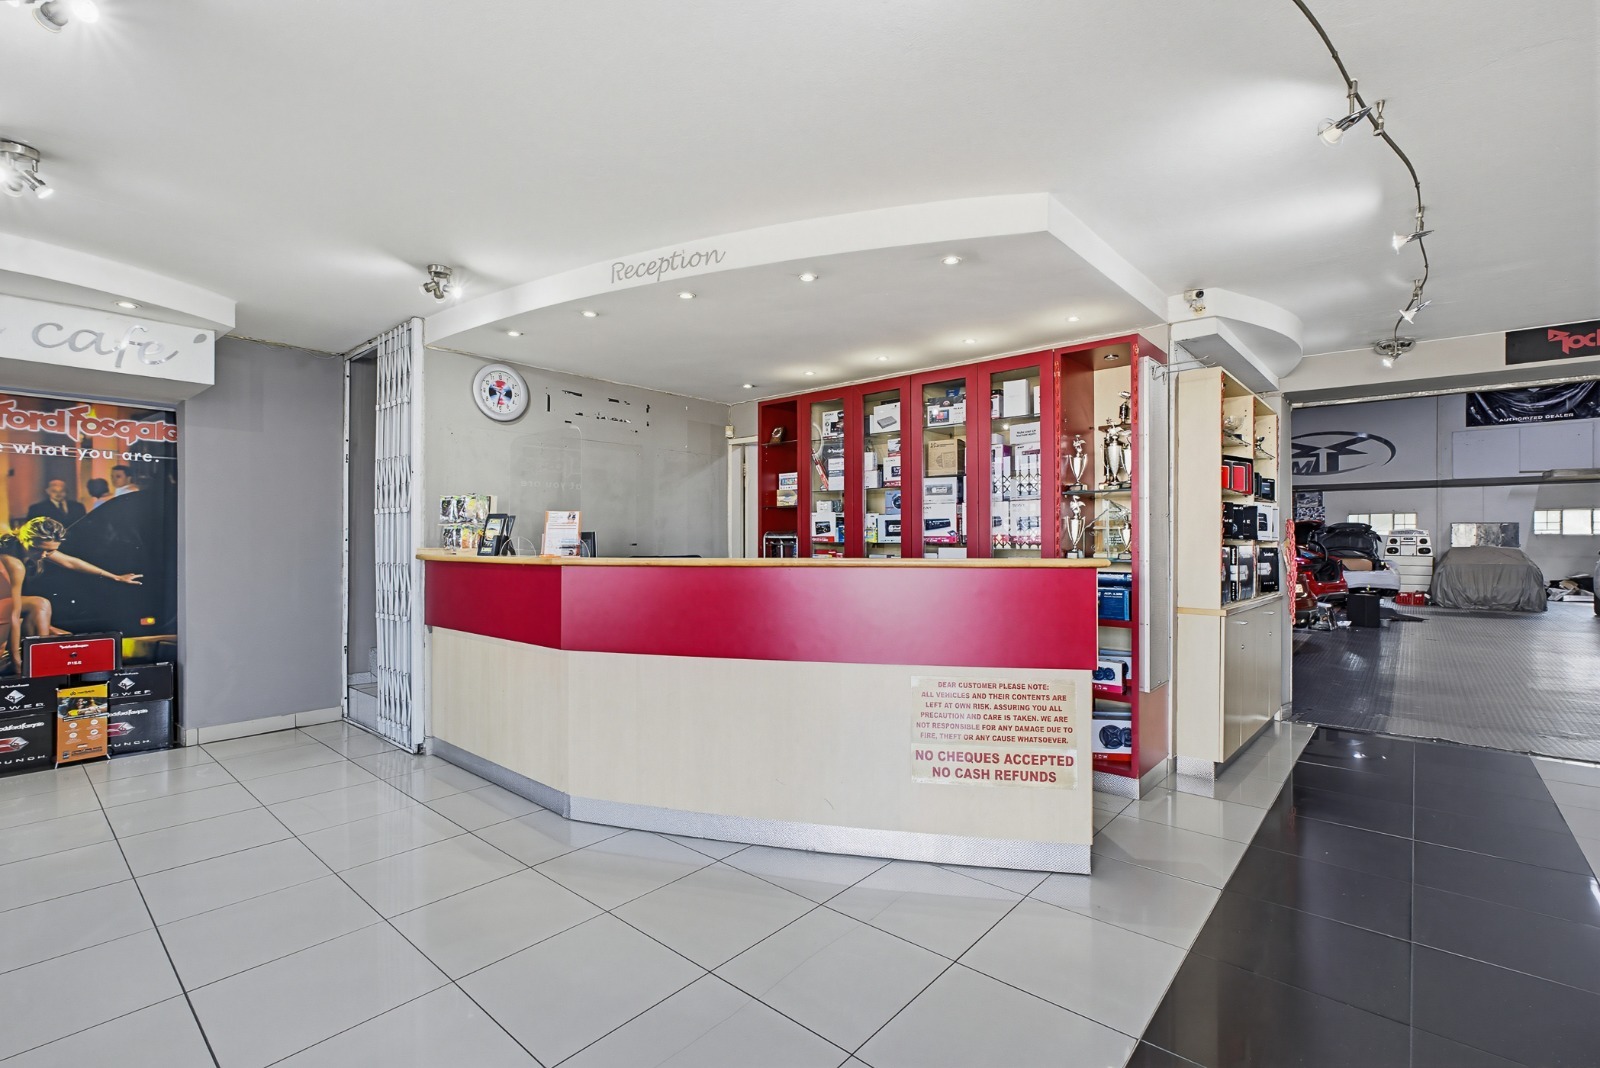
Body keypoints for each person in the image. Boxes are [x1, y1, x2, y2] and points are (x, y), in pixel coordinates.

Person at [0, 518, 141, 675]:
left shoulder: (35, 548)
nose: (44, 555)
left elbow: (71, 562)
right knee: (40, 604)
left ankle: (44, 663)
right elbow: (13, 613)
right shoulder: (14, 564)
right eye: (38, 549)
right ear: (24, 538)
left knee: (63, 636)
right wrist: (16, 661)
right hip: (4, 611)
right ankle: (39, 664)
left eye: (50, 551)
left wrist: (116, 577)